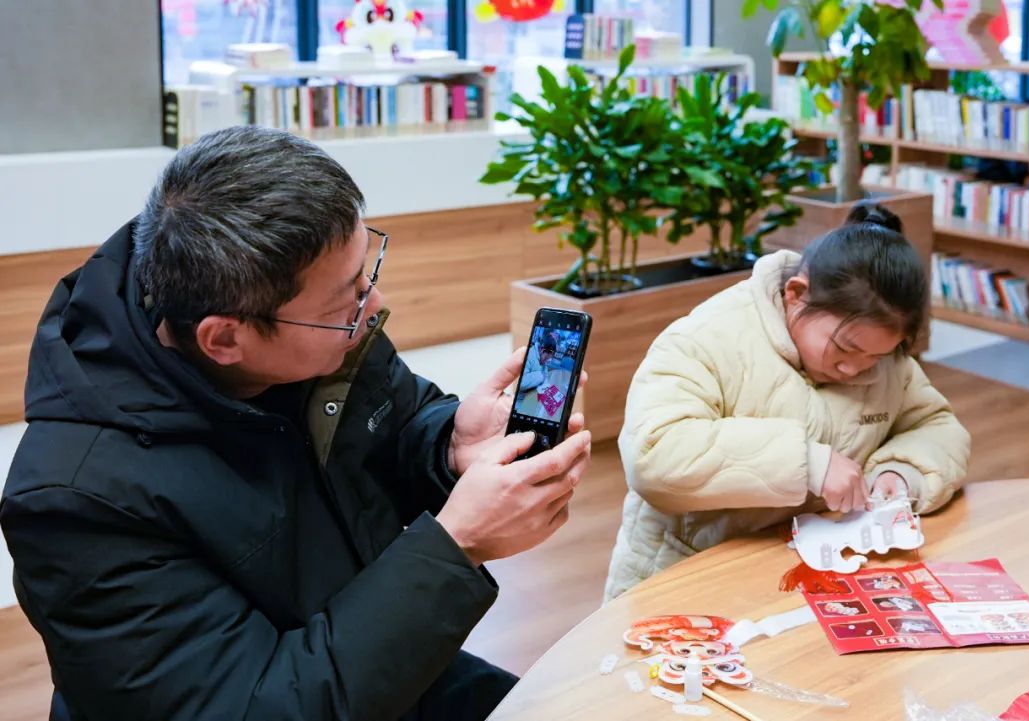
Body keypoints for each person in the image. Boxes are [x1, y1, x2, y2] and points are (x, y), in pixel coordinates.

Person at [0, 126, 591, 721]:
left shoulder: (316, 334)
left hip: (381, 658)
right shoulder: (75, 504)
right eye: (345, 301)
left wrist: (449, 447)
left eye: (366, 272)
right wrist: (457, 545)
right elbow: (257, 708)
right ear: (225, 339)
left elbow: (398, 426)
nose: (374, 303)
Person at [605, 203, 969, 600]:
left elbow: (937, 427)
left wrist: (901, 474)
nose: (854, 368)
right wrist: (809, 463)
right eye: (844, 348)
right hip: (681, 578)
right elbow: (654, 454)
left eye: (875, 357)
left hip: (804, 579)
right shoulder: (706, 338)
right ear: (796, 294)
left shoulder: (889, 366)